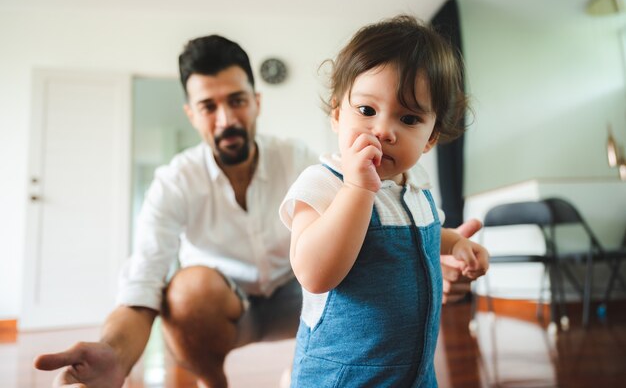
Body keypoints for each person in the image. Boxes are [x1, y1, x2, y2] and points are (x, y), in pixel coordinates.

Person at [34, 33, 484, 388]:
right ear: (192, 114)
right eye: (210, 106)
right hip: (240, 308)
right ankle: (214, 381)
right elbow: (142, 284)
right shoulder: (180, 181)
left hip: (311, 303)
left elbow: (396, 234)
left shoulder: (301, 157)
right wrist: (115, 354)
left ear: (257, 102)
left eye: (237, 101)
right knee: (187, 292)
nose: (227, 119)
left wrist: (440, 250)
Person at [279, 15, 489, 387]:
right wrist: (357, 190)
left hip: (413, 370)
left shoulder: (415, 186)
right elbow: (313, 274)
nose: (384, 130)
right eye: (366, 111)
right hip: (342, 373)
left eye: (408, 118)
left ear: (430, 138)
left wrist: (454, 242)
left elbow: (420, 235)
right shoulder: (323, 184)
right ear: (337, 114)